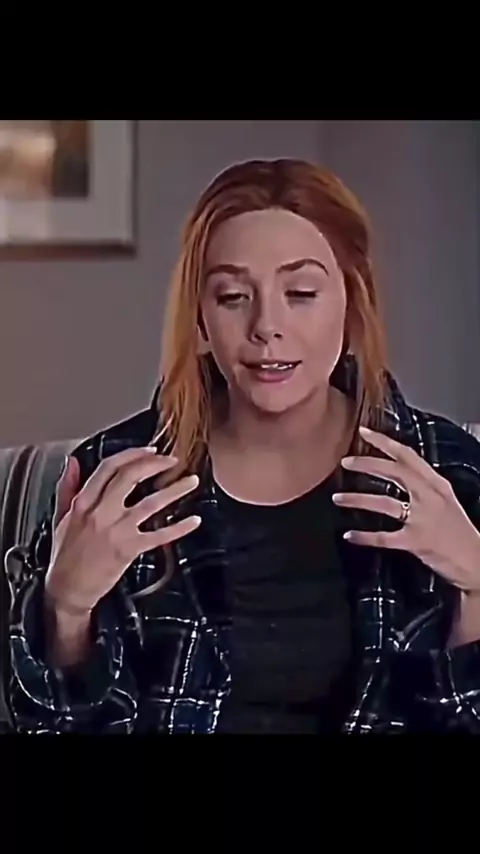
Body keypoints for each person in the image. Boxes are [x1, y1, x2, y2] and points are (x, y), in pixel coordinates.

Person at [6, 158, 480, 734]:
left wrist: (476, 585)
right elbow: (54, 725)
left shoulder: (449, 469)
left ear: (353, 303)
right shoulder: (114, 480)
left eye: (300, 292)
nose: (266, 326)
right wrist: (66, 609)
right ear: (201, 318)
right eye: (233, 296)